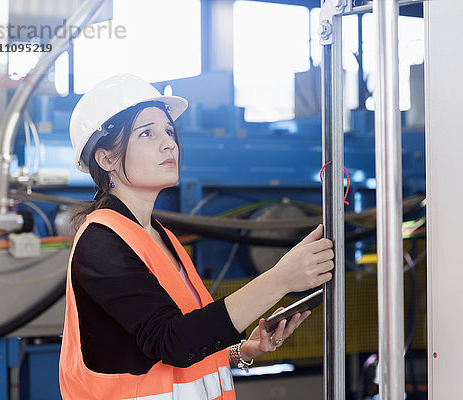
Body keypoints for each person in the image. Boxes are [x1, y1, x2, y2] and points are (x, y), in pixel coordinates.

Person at [58, 73, 335, 400]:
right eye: (146, 133)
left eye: (169, 131)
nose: (168, 143)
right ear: (105, 159)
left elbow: (179, 345)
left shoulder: (162, 239)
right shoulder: (101, 244)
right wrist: (280, 279)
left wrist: (240, 352)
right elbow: (172, 342)